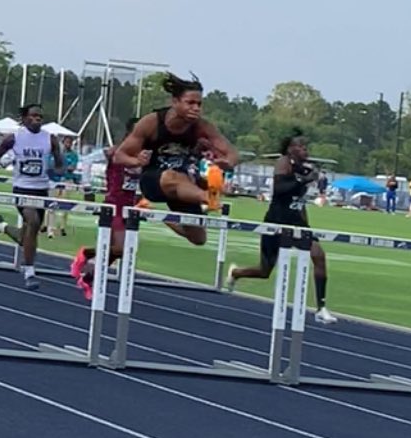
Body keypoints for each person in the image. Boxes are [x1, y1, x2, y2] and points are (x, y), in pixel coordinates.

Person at [226, 129, 337, 325]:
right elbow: (280, 189)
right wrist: (304, 179)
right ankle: (236, 273)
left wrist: (306, 225)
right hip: (276, 221)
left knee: (319, 256)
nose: (305, 150)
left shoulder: (306, 168)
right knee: (265, 271)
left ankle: (321, 308)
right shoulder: (283, 163)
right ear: (290, 149)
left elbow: (299, 201)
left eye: (306, 147)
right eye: (300, 147)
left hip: (297, 223)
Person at [113, 72, 237, 245]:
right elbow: (119, 156)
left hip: (184, 187)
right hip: (154, 181)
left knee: (198, 238)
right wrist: (137, 161)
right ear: (175, 102)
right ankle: (208, 197)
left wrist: (228, 162)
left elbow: (231, 152)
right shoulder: (152, 123)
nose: (196, 108)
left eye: (199, 104)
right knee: (173, 176)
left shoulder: (201, 125)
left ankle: (155, 213)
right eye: (190, 103)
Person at [0, 104, 63, 290]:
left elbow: (60, 165)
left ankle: (1, 226)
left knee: (28, 235)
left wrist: (55, 172)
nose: (37, 119)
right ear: (25, 118)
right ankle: (29, 272)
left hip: (41, 190)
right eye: (33, 116)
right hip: (22, 188)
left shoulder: (50, 139)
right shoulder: (14, 138)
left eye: (40, 117)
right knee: (33, 221)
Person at [71, 117, 142, 299]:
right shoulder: (115, 151)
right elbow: (86, 161)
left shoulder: (144, 155)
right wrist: (87, 186)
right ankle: (87, 255)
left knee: (118, 250)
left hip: (131, 208)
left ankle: (89, 277)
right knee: (120, 248)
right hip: (114, 205)